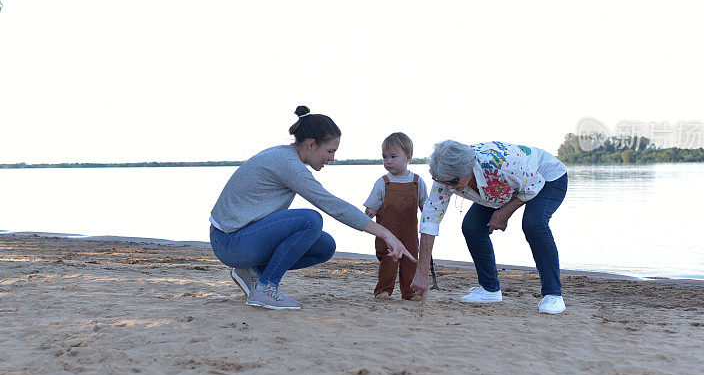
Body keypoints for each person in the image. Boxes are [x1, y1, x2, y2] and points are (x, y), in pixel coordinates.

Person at [209, 106, 415, 310]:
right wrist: (387, 234)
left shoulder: (287, 157)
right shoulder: (289, 165)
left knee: (324, 247)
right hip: (230, 242)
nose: (332, 158)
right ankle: (266, 288)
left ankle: (252, 272)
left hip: (238, 238)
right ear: (311, 145)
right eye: (330, 151)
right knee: (311, 220)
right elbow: (334, 206)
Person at [411, 140, 568, 314]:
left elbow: (534, 185)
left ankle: (554, 294)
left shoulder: (503, 166)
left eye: (453, 182)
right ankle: (490, 290)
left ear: (469, 168)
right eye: (444, 182)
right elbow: (430, 220)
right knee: (472, 226)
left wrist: (503, 213)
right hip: (505, 186)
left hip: (547, 177)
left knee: (534, 224)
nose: (448, 188)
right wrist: (422, 273)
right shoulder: (446, 176)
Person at [364, 132, 428, 300]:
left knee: (410, 261)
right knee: (388, 262)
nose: (388, 161)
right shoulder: (383, 182)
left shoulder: (417, 181)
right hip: (387, 231)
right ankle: (384, 290)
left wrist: (429, 220)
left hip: (410, 232)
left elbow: (426, 207)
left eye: (393, 156)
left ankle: (410, 292)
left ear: (408, 156)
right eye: (385, 157)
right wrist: (370, 211)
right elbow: (372, 206)